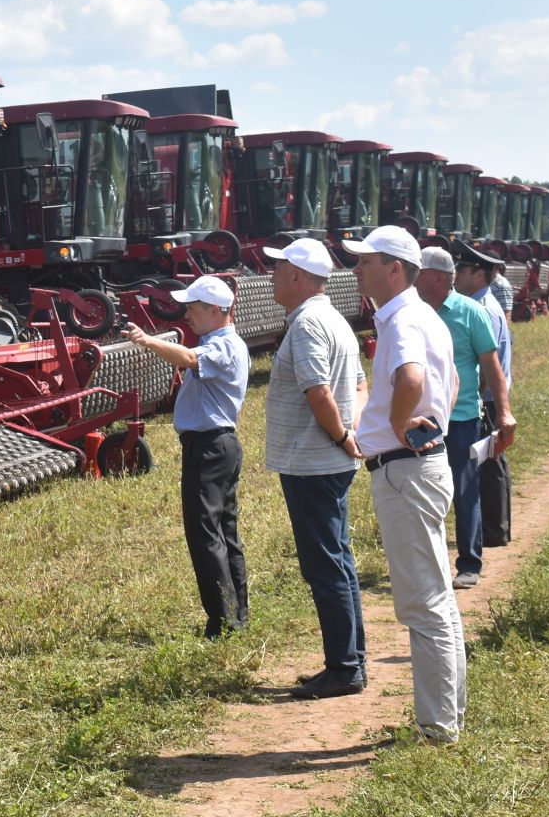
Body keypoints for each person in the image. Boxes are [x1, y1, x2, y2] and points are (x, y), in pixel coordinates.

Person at [340, 225, 465, 744]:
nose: (356, 270)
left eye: (365, 261)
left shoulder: (401, 321)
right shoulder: (423, 316)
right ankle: (447, 716)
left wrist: (396, 426)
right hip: (422, 464)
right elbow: (451, 385)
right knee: (437, 598)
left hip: (405, 468)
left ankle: (437, 727)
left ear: (395, 268)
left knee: (423, 602)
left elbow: (412, 380)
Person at [261, 238, 368, 699]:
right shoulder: (335, 319)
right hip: (328, 460)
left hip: (313, 463)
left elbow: (319, 392)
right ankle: (351, 660)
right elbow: (360, 383)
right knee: (338, 561)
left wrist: (343, 436)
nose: (271, 276)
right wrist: (352, 432)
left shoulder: (306, 325)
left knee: (324, 566)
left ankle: (344, 669)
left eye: (278, 268)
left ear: (298, 277)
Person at [124, 275, 251, 638]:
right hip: (215, 446)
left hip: (210, 447)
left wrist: (148, 341)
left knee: (205, 532)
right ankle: (235, 614)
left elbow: (190, 358)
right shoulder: (222, 341)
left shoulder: (224, 345)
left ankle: (222, 621)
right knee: (223, 530)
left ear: (214, 310)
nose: (187, 314)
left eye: (193, 308)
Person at [416, 245, 513, 590]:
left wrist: (503, 412)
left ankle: (469, 563)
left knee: (465, 489)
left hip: (461, 419)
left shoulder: (471, 313)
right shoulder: (414, 312)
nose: (413, 276)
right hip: (422, 421)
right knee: (423, 488)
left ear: (438, 278)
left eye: (420, 271)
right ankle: (430, 562)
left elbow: (492, 366)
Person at [454, 239, 516, 546]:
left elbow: (484, 363)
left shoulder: (481, 309)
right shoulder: (487, 305)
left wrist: (474, 397)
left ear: (478, 274)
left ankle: (493, 531)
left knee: (488, 464)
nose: (456, 274)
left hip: (487, 398)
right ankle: (496, 528)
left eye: (461, 269)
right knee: (492, 461)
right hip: (491, 397)